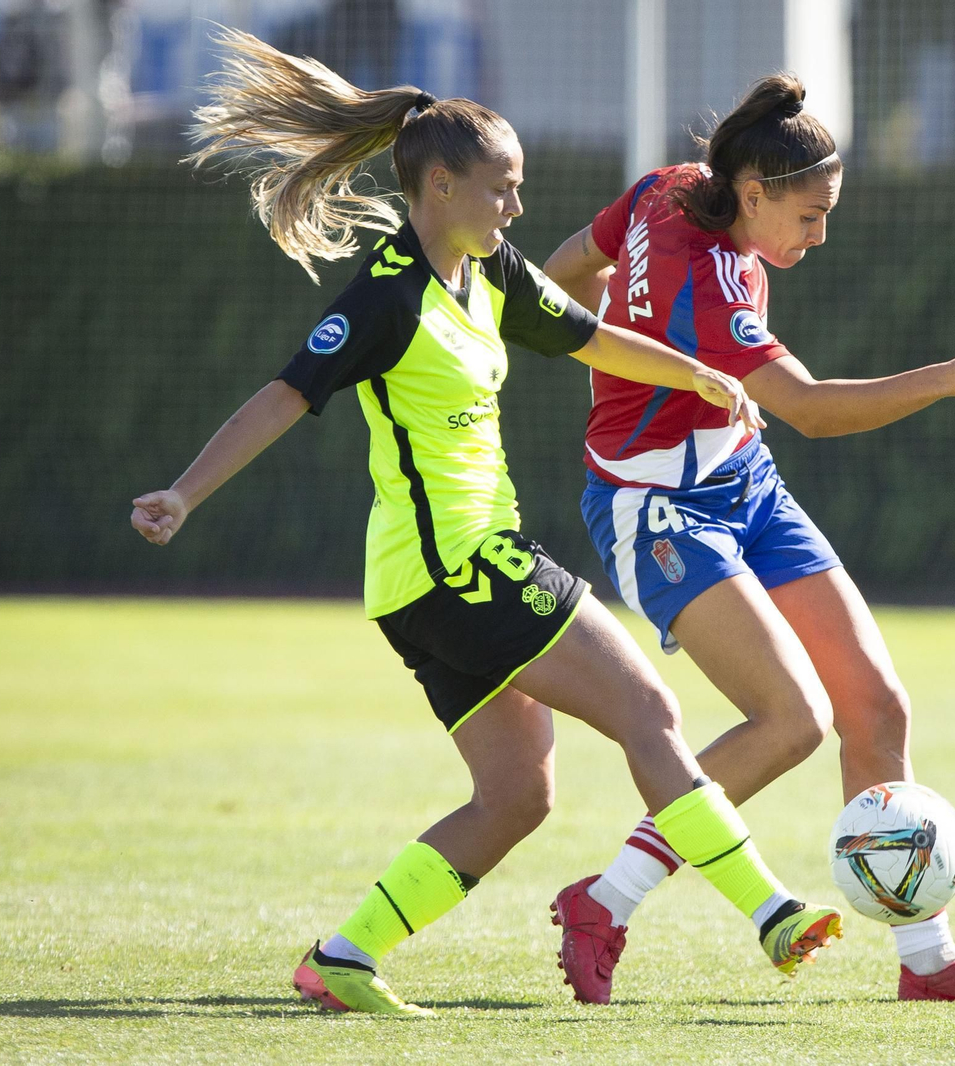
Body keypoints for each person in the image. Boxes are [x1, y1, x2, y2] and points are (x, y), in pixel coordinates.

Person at [128, 30, 842, 1017]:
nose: (515, 206)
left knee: (518, 796)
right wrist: (184, 491)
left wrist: (697, 372)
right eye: (500, 188)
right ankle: (768, 911)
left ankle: (343, 956)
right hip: (461, 569)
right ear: (439, 188)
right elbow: (286, 394)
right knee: (649, 711)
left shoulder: (488, 267)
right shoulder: (388, 294)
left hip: (428, 584)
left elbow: (587, 333)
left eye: (518, 186)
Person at [540, 73, 955, 1005]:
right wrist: (950, 375)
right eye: (811, 216)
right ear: (753, 193)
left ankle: (928, 965)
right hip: (658, 509)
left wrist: (603, 341)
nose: (820, 235)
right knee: (792, 722)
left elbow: (569, 267)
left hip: (745, 484)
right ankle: (606, 899)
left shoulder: (664, 186)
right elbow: (814, 413)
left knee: (878, 708)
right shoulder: (707, 282)